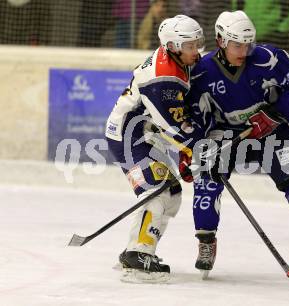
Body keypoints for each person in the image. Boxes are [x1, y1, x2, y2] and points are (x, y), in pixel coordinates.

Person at [181, 10, 289, 279]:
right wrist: (194, 149)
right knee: (207, 184)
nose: (245, 51)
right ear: (221, 41)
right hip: (227, 134)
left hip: (273, 132)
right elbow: (193, 113)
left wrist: (274, 114)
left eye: (249, 44)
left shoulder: (270, 58)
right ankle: (206, 242)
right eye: (237, 45)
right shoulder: (201, 72)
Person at [105, 15, 205, 283]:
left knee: (171, 193)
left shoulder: (174, 59)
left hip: (143, 133)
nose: (197, 51)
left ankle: (136, 249)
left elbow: (170, 125)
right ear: (172, 46)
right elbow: (172, 127)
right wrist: (195, 150)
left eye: (198, 43)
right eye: (191, 45)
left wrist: (188, 150)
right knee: (157, 188)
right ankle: (138, 255)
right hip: (128, 137)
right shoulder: (163, 78)